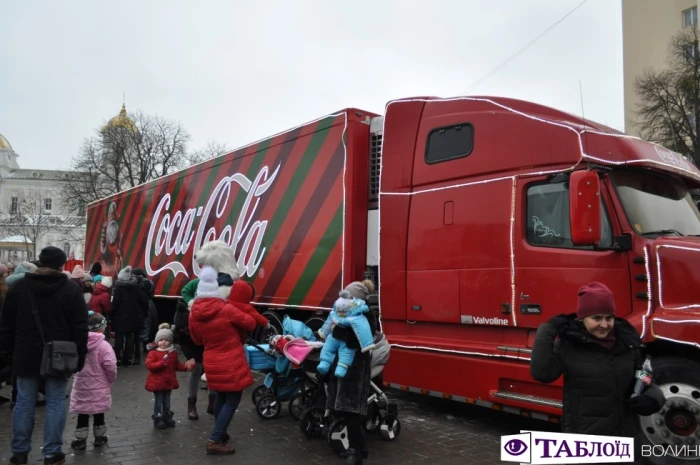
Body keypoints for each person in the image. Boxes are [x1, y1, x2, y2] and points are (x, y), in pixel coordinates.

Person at [530, 282, 665, 451]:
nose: (604, 325)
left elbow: (644, 378)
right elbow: (542, 373)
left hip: (627, 440)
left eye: (609, 318)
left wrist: (653, 397)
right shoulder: (568, 345)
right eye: (596, 318)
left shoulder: (628, 343)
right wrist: (547, 330)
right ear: (581, 319)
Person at [0, 246, 89, 465]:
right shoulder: (70, 289)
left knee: (24, 402)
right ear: (61, 264)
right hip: (60, 354)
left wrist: (7, 353)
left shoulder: (19, 287)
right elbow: (80, 326)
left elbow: (6, 325)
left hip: (25, 352)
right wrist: (80, 354)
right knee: (57, 401)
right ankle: (52, 452)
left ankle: (20, 451)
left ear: (40, 262)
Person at [188, 266, 256, 455]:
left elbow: (196, 340)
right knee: (232, 398)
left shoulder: (193, 315)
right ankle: (215, 439)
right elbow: (250, 323)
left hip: (211, 360)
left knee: (220, 395)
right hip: (231, 360)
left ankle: (221, 432)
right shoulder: (226, 309)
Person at [325, 279, 376, 464]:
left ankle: (356, 450)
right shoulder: (344, 310)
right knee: (343, 408)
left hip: (356, 368)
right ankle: (359, 449)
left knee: (350, 409)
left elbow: (355, 340)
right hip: (343, 365)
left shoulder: (366, 315)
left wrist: (338, 332)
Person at [69, 313, 117, 450]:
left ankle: (80, 439)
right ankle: (99, 437)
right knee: (99, 412)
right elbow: (110, 365)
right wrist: (110, 379)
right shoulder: (104, 346)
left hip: (81, 386)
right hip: (99, 385)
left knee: (82, 413)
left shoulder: (77, 343)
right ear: (101, 329)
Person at [145, 323, 192, 429]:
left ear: (170, 341)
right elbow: (149, 365)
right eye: (161, 340)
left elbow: (176, 365)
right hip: (157, 382)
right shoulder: (153, 353)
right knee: (158, 401)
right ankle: (158, 417)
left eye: (166, 340)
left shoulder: (172, 353)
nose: (163, 342)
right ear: (157, 341)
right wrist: (161, 363)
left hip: (168, 381)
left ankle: (167, 416)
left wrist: (186, 367)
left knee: (167, 401)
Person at [112, 266, 149, 366]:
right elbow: (143, 300)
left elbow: (116, 302)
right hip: (132, 315)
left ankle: (118, 359)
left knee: (119, 337)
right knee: (129, 336)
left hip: (120, 316)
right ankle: (127, 359)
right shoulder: (134, 287)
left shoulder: (119, 287)